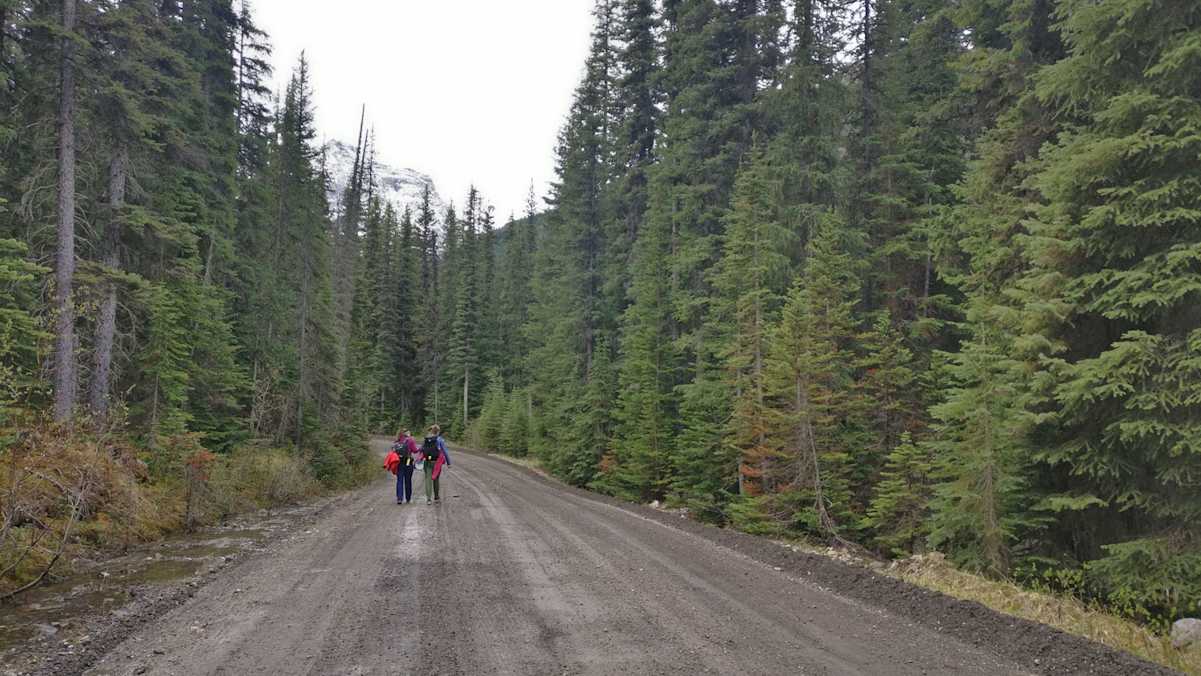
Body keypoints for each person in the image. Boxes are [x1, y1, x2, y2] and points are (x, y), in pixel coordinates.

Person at [419, 424, 451, 504]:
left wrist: (419, 459)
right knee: (436, 479)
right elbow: (445, 451)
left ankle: (428, 499)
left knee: (428, 479)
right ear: (438, 431)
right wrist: (448, 463)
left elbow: (421, 449)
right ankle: (436, 497)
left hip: (427, 461)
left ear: (431, 430)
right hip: (436, 462)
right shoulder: (440, 440)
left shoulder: (426, 439)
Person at [392, 429, 419, 504]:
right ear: (406, 433)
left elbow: (393, 452)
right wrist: (421, 448)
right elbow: (415, 451)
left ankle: (399, 498)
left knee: (399, 480)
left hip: (399, 462)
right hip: (408, 462)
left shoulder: (396, 441)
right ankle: (408, 498)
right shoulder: (410, 440)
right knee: (408, 481)